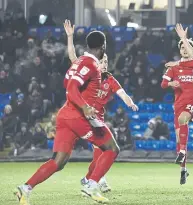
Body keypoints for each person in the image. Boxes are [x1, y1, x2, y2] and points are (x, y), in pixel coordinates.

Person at [15, 28, 115, 205]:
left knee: (58, 162)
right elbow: (71, 88)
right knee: (112, 148)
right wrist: (84, 106)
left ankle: (25, 188)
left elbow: (67, 81)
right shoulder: (90, 64)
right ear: (103, 46)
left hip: (65, 116)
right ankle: (90, 184)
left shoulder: (80, 62)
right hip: (79, 117)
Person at [64, 20, 138, 193]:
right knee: (104, 149)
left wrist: (130, 103)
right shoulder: (89, 71)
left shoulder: (110, 79)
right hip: (82, 116)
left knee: (103, 150)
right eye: (102, 60)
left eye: (106, 61)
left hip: (97, 119)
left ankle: (93, 179)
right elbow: (73, 58)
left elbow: (122, 94)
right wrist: (70, 37)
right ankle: (94, 180)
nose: (103, 63)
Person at [161, 38, 193, 185]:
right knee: (178, 139)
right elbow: (163, 84)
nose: (185, 50)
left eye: (188, 48)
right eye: (182, 48)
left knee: (183, 119)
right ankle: (183, 170)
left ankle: (182, 152)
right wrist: (170, 83)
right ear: (180, 50)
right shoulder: (173, 68)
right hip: (178, 104)